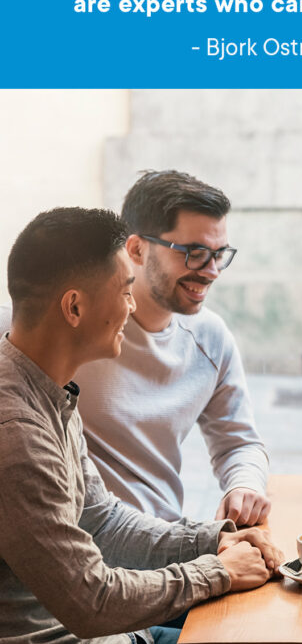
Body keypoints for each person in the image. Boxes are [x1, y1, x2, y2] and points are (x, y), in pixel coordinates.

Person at [0, 207, 302, 644]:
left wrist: (217, 539)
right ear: (74, 307)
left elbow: (101, 519)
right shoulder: (15, 433)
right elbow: (91, 600)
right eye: (123, 290)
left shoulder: (47, 389)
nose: (132, 307)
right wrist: (215, 571)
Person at [76, 169, 268, 525]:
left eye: (219, 253)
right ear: (136, 248)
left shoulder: (211, 338)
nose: (211, 271)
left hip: (169, 539)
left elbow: (239, 443)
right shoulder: (71, 322)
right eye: (195, 252)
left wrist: (244, 485)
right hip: (90, 549)